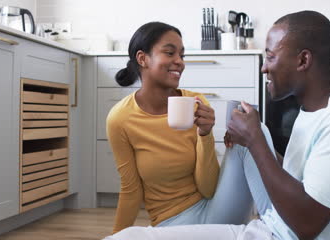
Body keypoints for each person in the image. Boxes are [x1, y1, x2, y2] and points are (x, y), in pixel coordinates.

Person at [104, 11, 330, 240]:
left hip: (275, 230)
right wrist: (253, 138)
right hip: (270, 225)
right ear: (142, 59)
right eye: (170, 52)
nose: (263, 68)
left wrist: (240, 138)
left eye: (269, 57)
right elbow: (302, 180)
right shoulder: (317, 112)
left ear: (303, 60)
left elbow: (306, 225)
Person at [106, 21, 276, 234]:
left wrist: (204, 134)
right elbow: (130, 190)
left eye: (182, 55)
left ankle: (279, 227)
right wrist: (116, 236)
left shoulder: (195, 103)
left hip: (215, 210)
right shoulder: (120, 118)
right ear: (143, 58)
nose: (179, 62)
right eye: (169, 53)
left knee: (255, 131)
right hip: (173, 224)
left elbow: (208, 188)